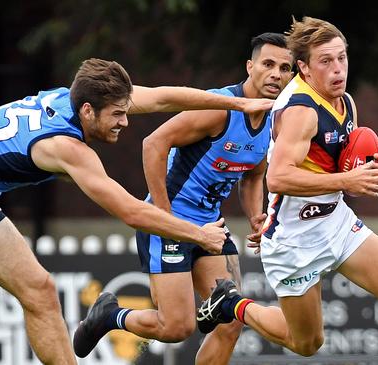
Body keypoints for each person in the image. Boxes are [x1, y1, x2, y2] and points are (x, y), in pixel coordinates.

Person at [0, 58, 274, 365]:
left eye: (127, 112)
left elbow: (164, 97)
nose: (125, 124)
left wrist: (237, 105)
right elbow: (129, 210)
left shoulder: (81, 98)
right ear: (88, 112)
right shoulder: (66, 147)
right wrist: (196, 233)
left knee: (40, 291)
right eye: (117, 117)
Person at [196, 17, 378, 365]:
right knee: (306, 343)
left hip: (337, 224)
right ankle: (232, 304)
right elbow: (278, 178)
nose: (338, 69)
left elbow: (341, 165)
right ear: (304, 68)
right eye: (326, 61)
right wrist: (347, 182)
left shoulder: (345, 102)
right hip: (295, 241)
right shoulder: (300, 111)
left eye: (341, 57)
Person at [72, 34, 294, 364]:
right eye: (268, 64)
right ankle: (109, 316)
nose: (276, 73)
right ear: (250, 67)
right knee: (176, 327)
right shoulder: (219, 109)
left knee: (230, 321)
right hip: (171, 222)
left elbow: (252, 175)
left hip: (210, 228)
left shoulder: (274, 120)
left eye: (285, 68)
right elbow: (153, 144)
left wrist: (256, 217)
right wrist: (165, 217)